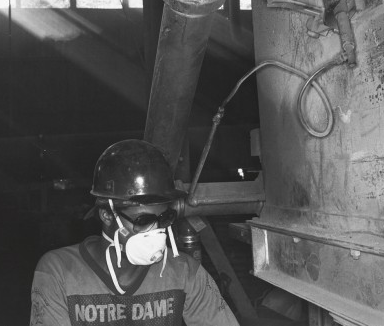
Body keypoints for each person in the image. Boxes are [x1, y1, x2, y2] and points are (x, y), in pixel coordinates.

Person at [30, 139, 240, 326]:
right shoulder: (59, 272)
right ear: (107, 215)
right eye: (144, 220)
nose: (156, 230)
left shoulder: (185, 273)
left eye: (163, 218)